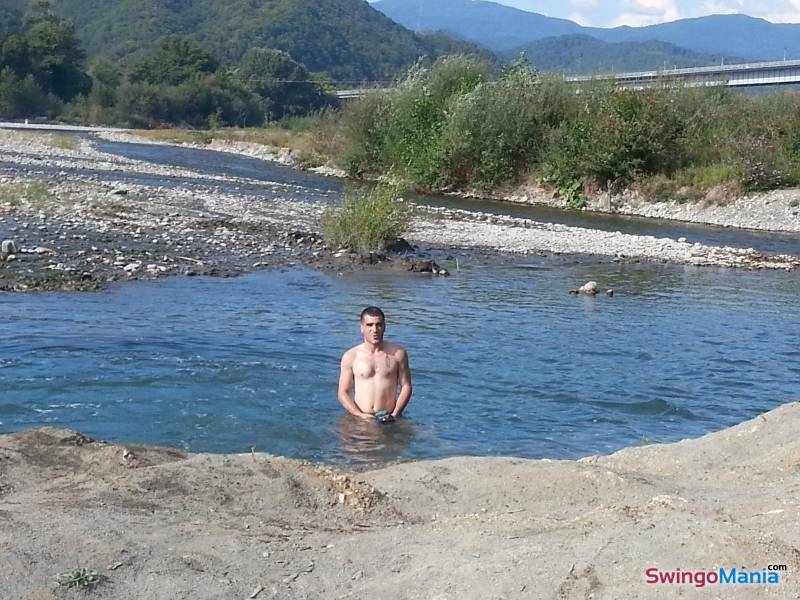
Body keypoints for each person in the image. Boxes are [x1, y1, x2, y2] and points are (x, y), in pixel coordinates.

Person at [338, 306, 412, 423]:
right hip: (359, 417)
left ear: (384, 327)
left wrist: (395, 414)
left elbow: (406, 386)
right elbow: (343, 392)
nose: (375, 329)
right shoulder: (351, 356)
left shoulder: (398, 354)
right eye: (369, 325)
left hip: (389, 417)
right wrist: (359, 415)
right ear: (362, 328)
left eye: (379, 325)